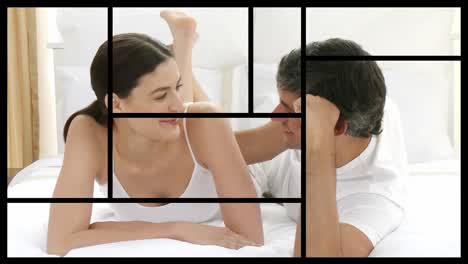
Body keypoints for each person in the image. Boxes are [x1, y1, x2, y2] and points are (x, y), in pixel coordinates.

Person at [47, 10, 264, 256]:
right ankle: (183, 44)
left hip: (250, 169)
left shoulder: (206, 123)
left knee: (205, 116)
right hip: (187, 134)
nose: (178, 104)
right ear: (116, 104)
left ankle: (183, 49)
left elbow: (250, 238)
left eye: (177, 88)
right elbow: (61, 241)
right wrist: (174, 229)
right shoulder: (88, 130)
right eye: (160, 95)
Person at [243, 38, 407, 257]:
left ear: (335, 127)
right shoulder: (293, 126)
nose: (274, 116)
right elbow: (213, 148)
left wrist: (317, 143)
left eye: (290, 110)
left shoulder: (373, 201)